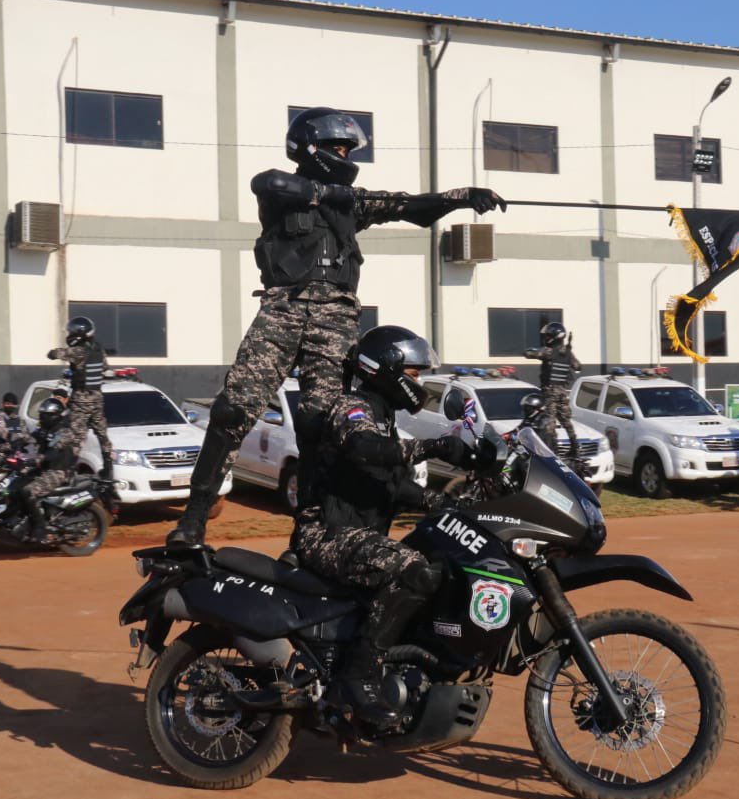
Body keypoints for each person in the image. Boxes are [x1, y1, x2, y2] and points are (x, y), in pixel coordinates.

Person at [167, 106, 505, 546]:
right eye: (336, 147)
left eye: (347, 147)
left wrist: (462, 196)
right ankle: (193, 519)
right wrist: (334, 195)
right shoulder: (282, 192)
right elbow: (268, 182)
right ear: (308, 147)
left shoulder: (353, 204)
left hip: (337, 319)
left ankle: (307, 530)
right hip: (283, 309)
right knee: (233, 409)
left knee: (320, 424)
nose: (344, 153)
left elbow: (409, 206)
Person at [293, 325, 476, 727]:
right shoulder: (352, 407)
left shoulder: (383, 416)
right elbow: (364, 449)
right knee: (412, 569)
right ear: (385, 370)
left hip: (355, 533)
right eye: (413, 374)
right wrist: (433, 446)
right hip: (326, 534)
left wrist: (443, 503)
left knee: (439, 560)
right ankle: (357, 677)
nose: (419, 383)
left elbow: (390, 485)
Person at [47, 317, 113, 480]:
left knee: (75, 435)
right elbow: (105, 368)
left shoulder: (78, 351)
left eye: (72, 331)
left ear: (79, 333)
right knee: (102, 433)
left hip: (81, 398)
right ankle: (108, 467)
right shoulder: (98, 349)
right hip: (97, 398)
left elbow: (56, 354)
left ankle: (66, 468)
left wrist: (53, 353)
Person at [19, 398, 78, 543]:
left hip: (59, 472)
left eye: (44, 415)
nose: (41, 418)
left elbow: (54, 450)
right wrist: (11, 443)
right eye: (41, 415)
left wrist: (39, 458)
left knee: (29, 491)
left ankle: (41, 528)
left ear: (54, 415)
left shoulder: (63, 432)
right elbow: (30, 438)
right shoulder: (45, 429)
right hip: (45, 469)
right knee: (16, 482)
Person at [524, 322, 581, 458]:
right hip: (563, 391)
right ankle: (575, 447)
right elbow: (578, 366)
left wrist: (534, 351)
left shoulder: (548, 351)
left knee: (550, 422)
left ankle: (553, 452)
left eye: (548, 336)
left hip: (550, 392)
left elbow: (528, 353)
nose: (546, 338)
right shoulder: (568, 353)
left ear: (554, 337)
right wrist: (567, 352)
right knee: (566, 421)